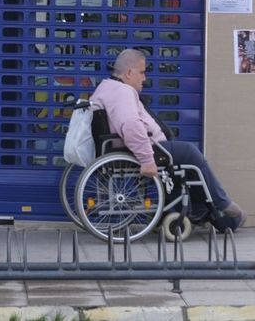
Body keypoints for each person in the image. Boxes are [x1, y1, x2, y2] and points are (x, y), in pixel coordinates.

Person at [88, 48, 245, 230]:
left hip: (134, 147)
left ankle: (200, 210)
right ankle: (224, 204)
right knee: (189, 153)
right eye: (142, 72)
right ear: (129, 73)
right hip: (141, 149)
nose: (144, 78)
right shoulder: (121, 92)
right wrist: (147, 160)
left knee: (186, 167)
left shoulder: (107, 87)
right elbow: (131, 125)